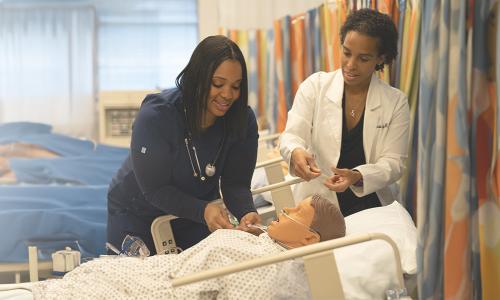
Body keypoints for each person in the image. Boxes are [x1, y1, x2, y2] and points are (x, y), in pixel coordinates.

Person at [107, 35, 261, 253]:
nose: (227, 95)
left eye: (236, 86)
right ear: (197, 78)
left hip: (194, 210)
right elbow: (155, 189)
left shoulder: (241, 120)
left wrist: (246, 211)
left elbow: (235, 184)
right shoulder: (157, 117)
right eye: (218, 84)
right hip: (138, 211)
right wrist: (203, 210)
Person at [32, 195, 346, 299]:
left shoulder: (273, 271)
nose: (283, 211)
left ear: (309, 239)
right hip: (159, 272)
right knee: (92, 274)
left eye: (294, 213)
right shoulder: (266, 242)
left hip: (164, 288)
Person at [280, 9, 410, 216]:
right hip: (317, 201)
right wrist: (296, 151)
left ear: (380, 58)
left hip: (372, 204)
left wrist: (358, 176)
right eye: (347, 53)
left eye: (363, 58)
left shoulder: (395, 102)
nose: (350, 65)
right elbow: (292, 135)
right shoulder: (315, 86)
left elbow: (394, 163)